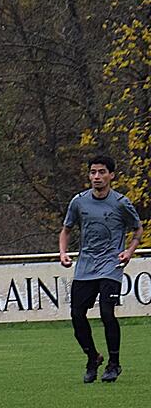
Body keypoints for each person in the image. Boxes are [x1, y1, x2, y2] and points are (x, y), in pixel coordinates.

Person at [59, 155, 142, 383]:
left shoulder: (121, 203)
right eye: (93, 172)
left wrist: (129, 251)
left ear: (111, 175)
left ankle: (114, 363)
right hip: (86, 266)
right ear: (89, 175)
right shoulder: (79, 202)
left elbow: (138, 229)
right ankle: (93, 357)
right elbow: (66, 230)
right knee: (77, 315)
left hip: (111, 266)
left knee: (107, 312)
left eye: (102, 172)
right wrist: (63, 252)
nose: (97, 176)